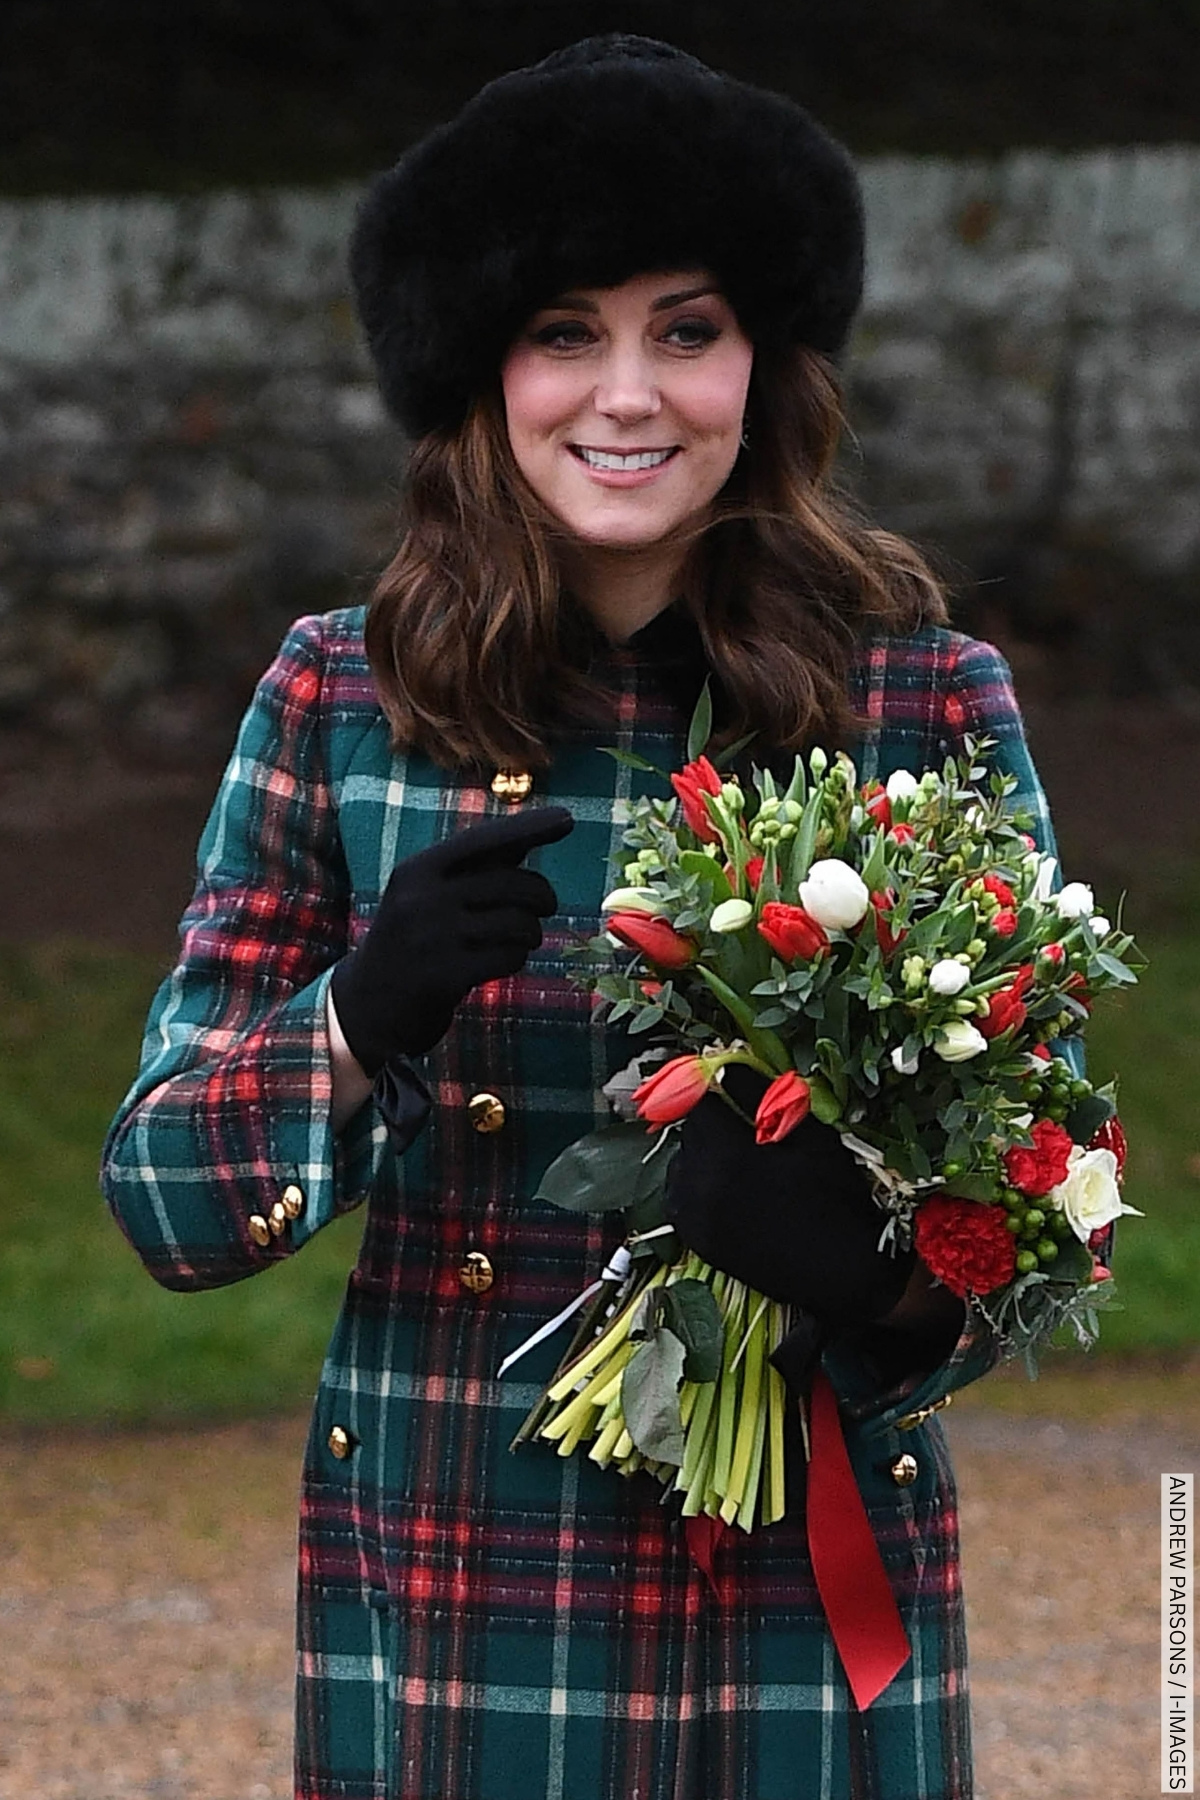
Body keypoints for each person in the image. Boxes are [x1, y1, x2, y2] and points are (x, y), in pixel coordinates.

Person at [102, 35, 1069, 1800]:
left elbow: (1051, 1206)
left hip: (794, 1565)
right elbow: (165, 1201)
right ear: (485, 370)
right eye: (567, 333)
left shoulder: (923, 700)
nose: (628, 395)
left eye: (685, 331)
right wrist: (347, 1022)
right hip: (461, 1567)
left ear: (761, 368)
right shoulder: (340, 700)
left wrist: (881, 1269)